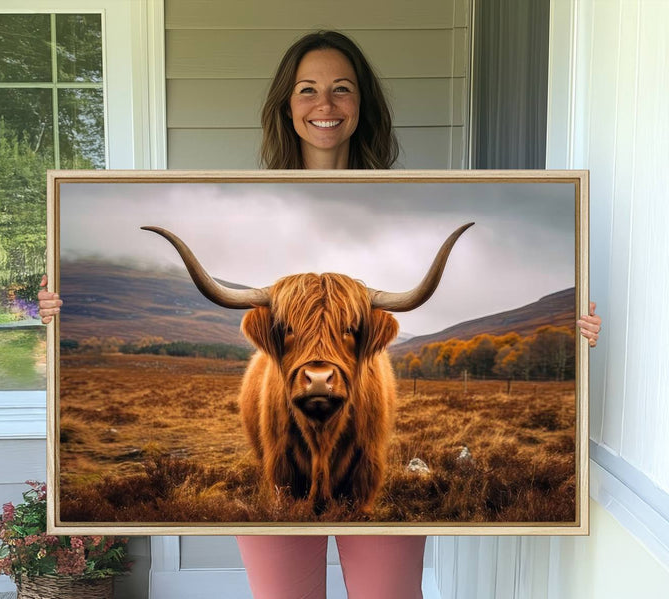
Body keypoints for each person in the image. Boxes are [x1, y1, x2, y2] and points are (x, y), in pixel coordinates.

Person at [39, 31, 602, 599]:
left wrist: (577, 336)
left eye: (341, 90)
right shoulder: (240, 197)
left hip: (362, 427)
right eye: (307, 90)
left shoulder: (419, 193)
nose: (325, 105)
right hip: (276, 426)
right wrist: (57, 312)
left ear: (362, 105)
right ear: (287, 104)